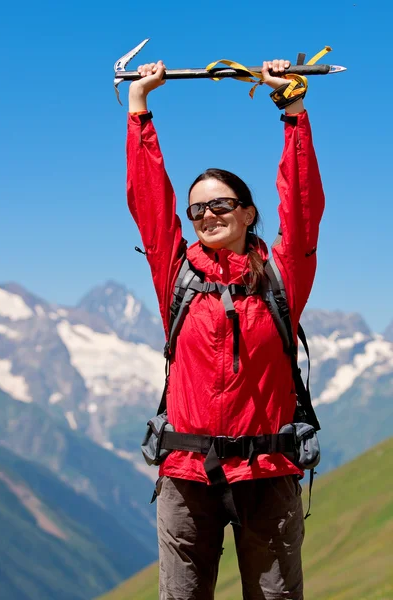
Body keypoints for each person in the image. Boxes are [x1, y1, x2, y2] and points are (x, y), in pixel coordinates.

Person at [126, 58, 325, 600]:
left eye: (220, 204)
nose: (207, 215)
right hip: (187, 474)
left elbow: (303, 207)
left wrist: (293, 110)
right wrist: (140, 108)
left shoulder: (283, 274)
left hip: (269, 470)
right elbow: (149, 204)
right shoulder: (177, 273)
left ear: (248, 212)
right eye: (196, 210)